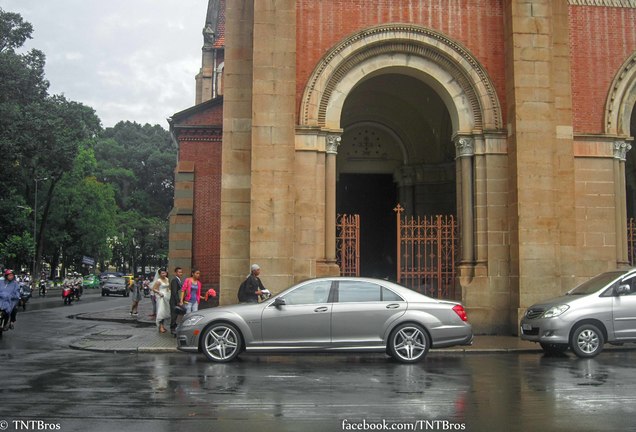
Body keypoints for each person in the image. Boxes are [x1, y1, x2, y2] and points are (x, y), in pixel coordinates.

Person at [151, 268, 171, 333]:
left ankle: (163, 325)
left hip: (167, 296)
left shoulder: (167, 279)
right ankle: (161, 326)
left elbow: (168, 287)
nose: (164, 274)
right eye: (162, 273)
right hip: (161, 297)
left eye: (165, 273)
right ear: (159, 274)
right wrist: (159, 293)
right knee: (161, 312)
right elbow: (154, 289)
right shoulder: (158, 281)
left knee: (166, 312)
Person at [169, 267, 184, 335]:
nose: (180, 273)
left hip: (176, 300)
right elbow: (174, 292)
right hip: (174, 301)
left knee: (176, 315)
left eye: (181, 272)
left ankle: (174, 327)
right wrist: (178, 302)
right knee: (174, 315)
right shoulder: (175, 280)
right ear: (175, 273)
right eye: (179, 272)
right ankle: (172, 329)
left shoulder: (178, 280)